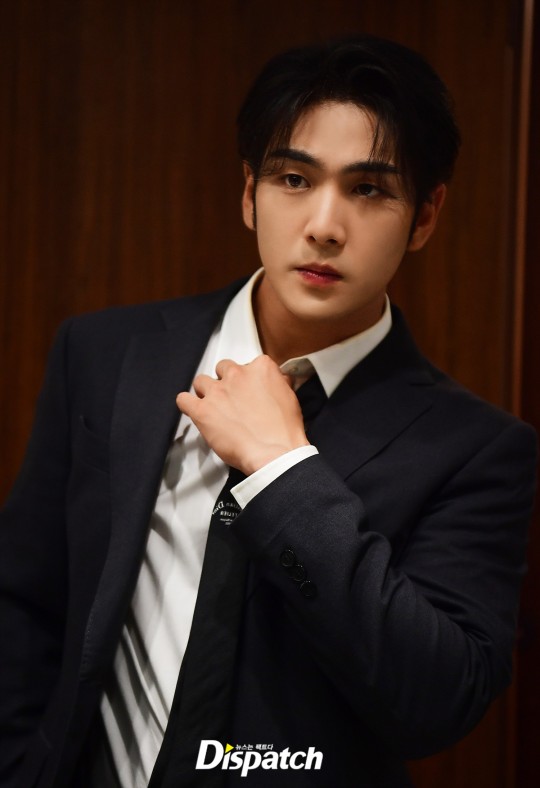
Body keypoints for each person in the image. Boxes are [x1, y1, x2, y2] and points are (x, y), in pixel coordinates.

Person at [0, 35, 536, 788]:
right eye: (294, 178)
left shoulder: (478, 449)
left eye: (369, 189)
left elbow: (436, 702)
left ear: (425, 216)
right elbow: (24, 598)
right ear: (249, 192)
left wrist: (283, 471)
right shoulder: (103, 353)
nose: (324, 225)